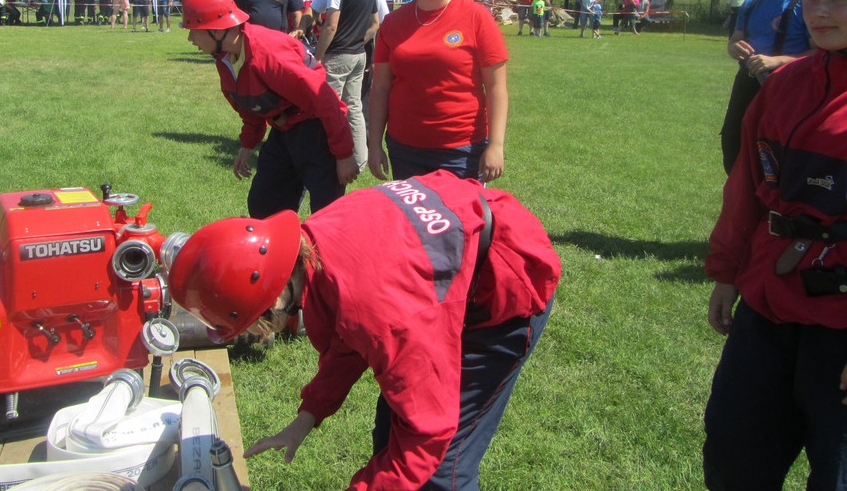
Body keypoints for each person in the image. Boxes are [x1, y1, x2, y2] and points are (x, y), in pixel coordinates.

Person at [169, 170, 561, 491]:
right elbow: (348, 338)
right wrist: (307, 416)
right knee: (390, 434)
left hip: (505, 281)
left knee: (442, 470)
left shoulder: (383, 314)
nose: (255, 335)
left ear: (272, 300)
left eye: (250, 326)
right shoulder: (313, 247)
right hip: (440, 272)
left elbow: (429, 434)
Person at [702, 0, 847, 491]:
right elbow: (745, 190)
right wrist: (726, 271)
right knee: (735, 452)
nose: (820, 12)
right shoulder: (784, 86)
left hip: (839, 323)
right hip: (769, 300)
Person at [182, 0, 357, 218]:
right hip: (284, 130)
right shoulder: (226, 57)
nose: (190, 38)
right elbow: (250, 104)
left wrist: (344, 154)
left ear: (216, 30)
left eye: (194, 30)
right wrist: (247, 144)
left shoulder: (268, 53)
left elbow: (324, 99)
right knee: (264, 205)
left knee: (326, 215)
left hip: (315, 129)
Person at [368, 0, 508, 183]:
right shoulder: (392, 23)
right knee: (412, 211)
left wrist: (496, 145)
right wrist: (374, 143)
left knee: (461, 211)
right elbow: (380, 87)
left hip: (461, 149)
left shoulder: (477, 17)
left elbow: (496, 87)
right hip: (404, 149)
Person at [720, 0, 813, 174]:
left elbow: (819, 53)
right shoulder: (751, 3)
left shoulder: (804, 4)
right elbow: (734, 41)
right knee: (733, 140)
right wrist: (734, 47)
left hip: (786, 88)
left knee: (775, 149)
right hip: (747, 83)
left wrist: (777, 61)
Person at [296, 0, 380, 170]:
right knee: (354, 108)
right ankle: (360, 160)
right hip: (358, 55)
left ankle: (329, 159)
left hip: (337, 56)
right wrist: (357, 41)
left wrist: (317, 57)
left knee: (328, 109)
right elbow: (375, 24)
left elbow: (331, 25)